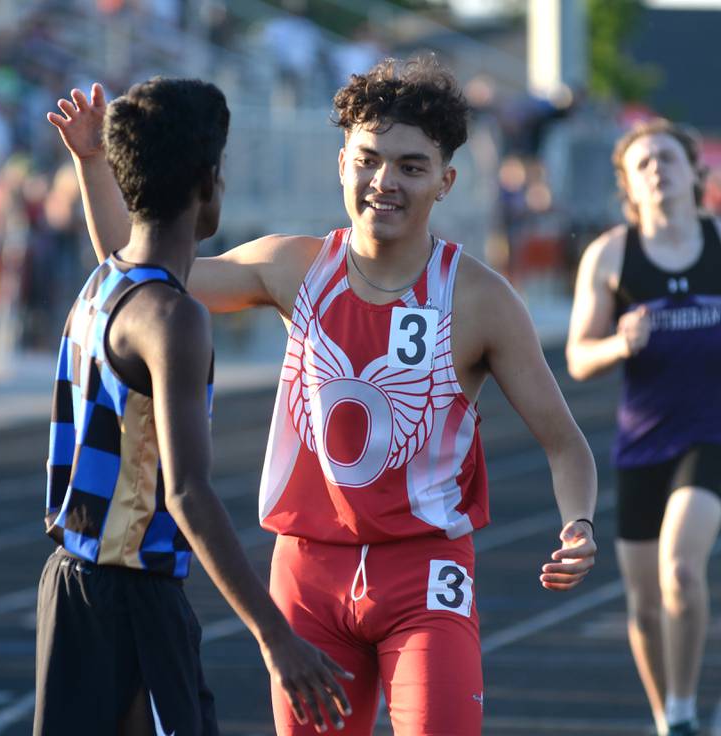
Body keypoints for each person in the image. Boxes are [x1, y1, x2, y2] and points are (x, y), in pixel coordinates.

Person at [50, 57, 598, 735]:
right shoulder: (292, 267)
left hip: (425, 577)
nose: (384, 182)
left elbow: (566, 444)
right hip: (307, 576)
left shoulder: (482, 301)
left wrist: (579, 523)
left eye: (410, 166)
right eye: (368, 160)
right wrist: (93, 165)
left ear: (446, 181)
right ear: (342, 164)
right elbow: (138, 271)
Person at [38, 76, 353, 736]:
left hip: (71, 588)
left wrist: (88, 161)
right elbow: (187, 492)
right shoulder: (175, 319)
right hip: (133, 597)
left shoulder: (103, 285)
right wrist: (277, 638)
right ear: (208, 185)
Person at [567, 118, 721, 736]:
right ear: (629, 183)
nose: (658, 167)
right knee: (645, 607)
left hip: (711, 435)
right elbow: (579, 357)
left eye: (668, 157)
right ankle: (669, 716)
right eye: (644, 161)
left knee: (682, 571)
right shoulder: (610, 254)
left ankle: (686, 711)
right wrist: (619, 345)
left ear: (694, 172)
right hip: (642, 444)